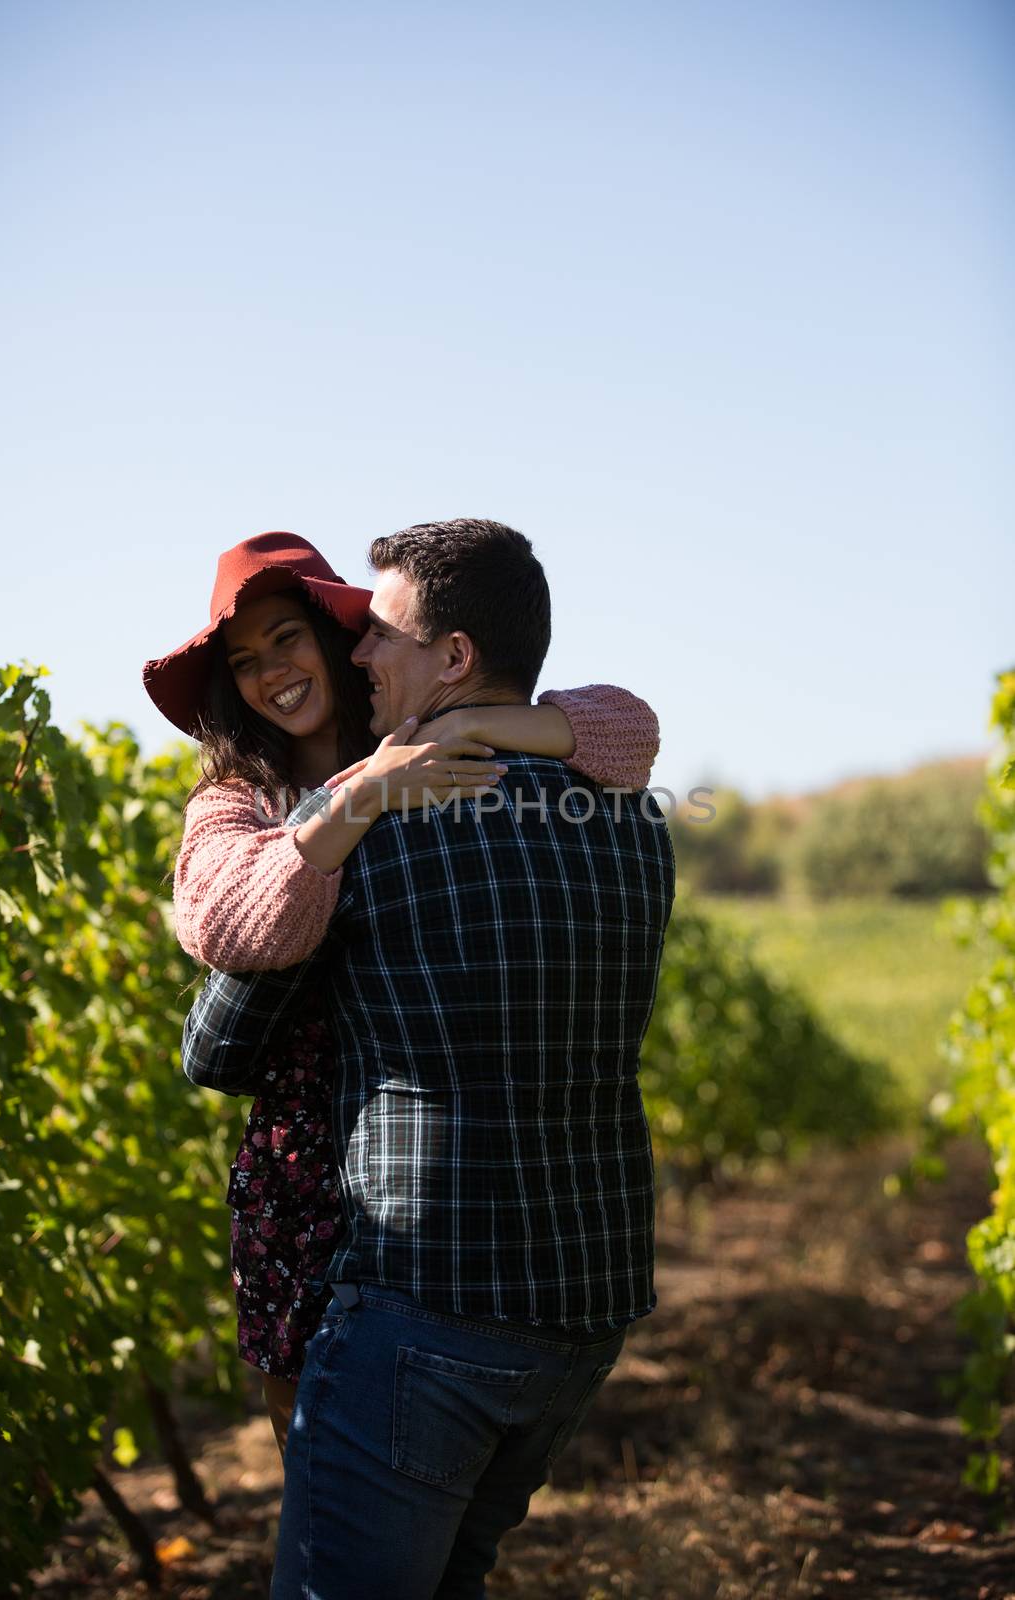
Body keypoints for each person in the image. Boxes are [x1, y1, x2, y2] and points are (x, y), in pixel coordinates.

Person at [179, 519, 676, 1599]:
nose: (329, 663)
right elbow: (231, 912)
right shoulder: (631, 820)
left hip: (411, 1260)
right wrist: (345, 803)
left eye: (306, 639)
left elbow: (213, 1046)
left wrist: (398, 780)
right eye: (243, 660)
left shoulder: (407, 809)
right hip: (572, 1281)